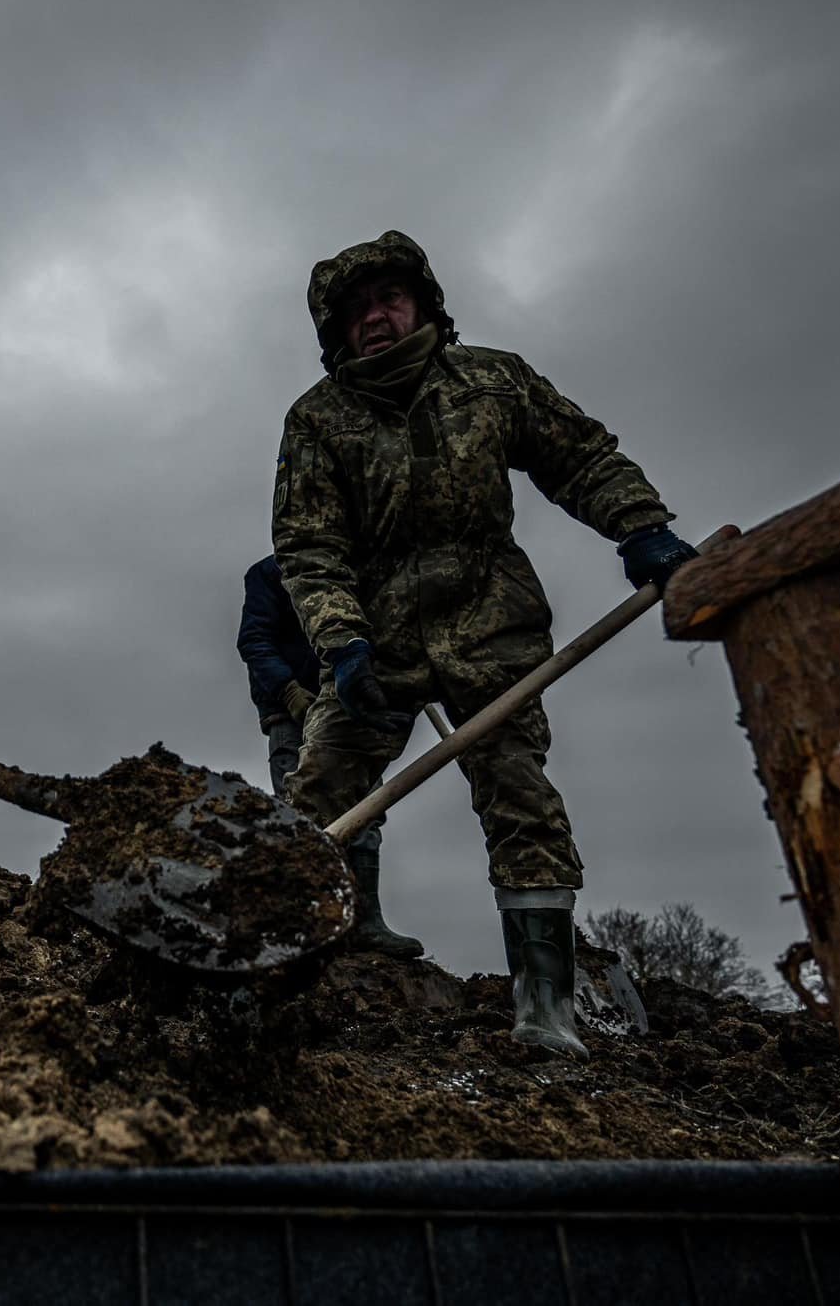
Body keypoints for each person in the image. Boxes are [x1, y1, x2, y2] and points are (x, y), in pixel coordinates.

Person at [272, 231, 696, 1057]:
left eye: (389, 300)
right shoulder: (319, 420)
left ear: (424, 302)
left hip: (490, 622)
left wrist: (640, 527)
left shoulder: (492, 381)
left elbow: (581, 457)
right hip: (378, 635)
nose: (376, 320)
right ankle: (277, 975)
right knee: (321, 789)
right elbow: (308, 545)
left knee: (520, 798)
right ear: (337, 333)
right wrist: (342, 641)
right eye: (357, 312)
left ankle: (546, 1009)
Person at [236, 553, 422, 957]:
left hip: (346, 708)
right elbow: (254, 640)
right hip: (290, 709)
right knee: (302, 806)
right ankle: (304, 924)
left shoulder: (351, 572)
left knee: (366, 808)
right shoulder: (271, 575)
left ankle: (365, 922)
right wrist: (289, 692)